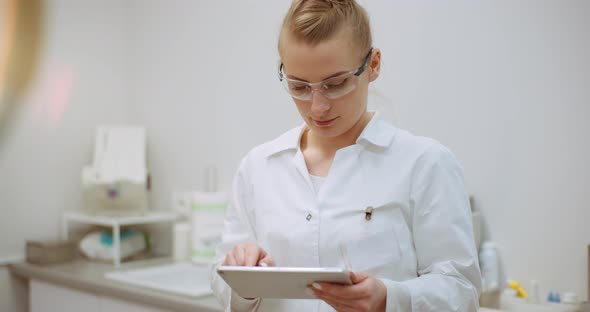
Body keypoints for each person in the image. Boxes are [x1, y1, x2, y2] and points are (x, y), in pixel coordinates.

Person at [211, 0, 482, 311]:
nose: (318, 107)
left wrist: (388, 299)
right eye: (299, 87)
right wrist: (241, 279)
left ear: (374, 65)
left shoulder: (425, 164)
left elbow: (462, 292)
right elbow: (222, 280)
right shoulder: (258, 167)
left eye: (336, 84)